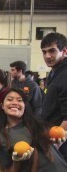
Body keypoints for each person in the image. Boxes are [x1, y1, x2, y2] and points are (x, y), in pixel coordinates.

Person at [0, 88, 67, 171]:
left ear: (24, 106)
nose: (14, 103)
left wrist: (58, 141)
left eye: (19, 100)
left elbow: (52, 148)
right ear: (2, 105)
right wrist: (17, 161)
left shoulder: (37, 124)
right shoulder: (0, 137)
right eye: (10, 99)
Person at [40, 32, 67, 162]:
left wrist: (53, 146)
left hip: (61, 146)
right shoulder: (54, 73)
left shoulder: (65, 75)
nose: (47, 56)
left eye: (52, 51)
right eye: (44, 52)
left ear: (64, 51)